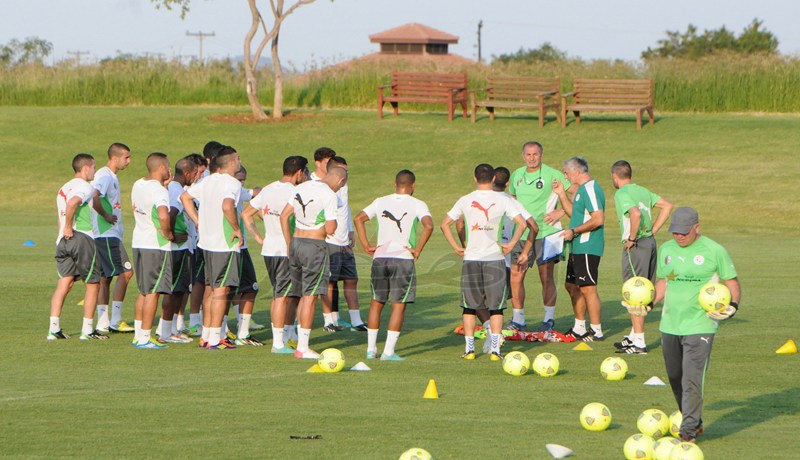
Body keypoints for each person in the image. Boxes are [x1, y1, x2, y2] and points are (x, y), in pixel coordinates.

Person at [648, 207, 740, 443]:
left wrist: (734, 306)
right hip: (669, 324)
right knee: (675, 376)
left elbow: (732, 282)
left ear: (697, 228)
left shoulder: (714, 250)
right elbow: (664, 281)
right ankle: (694, 420)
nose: (678, 236)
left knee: (691, 377)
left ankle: (688, 431)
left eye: (683, 232)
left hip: (701, 325)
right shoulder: (667, 249)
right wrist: (648, 303)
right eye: (675, 232)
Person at [440, 164, 526, 360]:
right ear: (494, 178)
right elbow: (522, 223)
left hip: (471, 258)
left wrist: (455, 246)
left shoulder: (466, 199)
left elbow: (445, 223)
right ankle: (495, 351)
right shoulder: (503, 199)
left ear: (475, 178)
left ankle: (470, 350)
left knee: (469, 306)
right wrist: (512, 243)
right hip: (494, 259)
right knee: (496, 307)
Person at [354, 169, 434, 361]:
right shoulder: (418, 204)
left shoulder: (381, 201)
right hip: (403, 258)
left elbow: (359, 218)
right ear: (413, 185)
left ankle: (371, 350)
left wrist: (365, 245)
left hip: (380, 257)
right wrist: (418, 249)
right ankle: (388, 352)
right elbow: (429, 226)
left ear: (395, 184)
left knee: (376, 302)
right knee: (398, 305)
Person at [242, 155, 308, 353]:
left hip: (270, 249)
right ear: (299, 172)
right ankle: (278, 343)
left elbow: (246, 214)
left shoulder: (268, 189)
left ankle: (286, 336)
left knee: (286, 294)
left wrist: (259, 238)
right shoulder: (296, 192)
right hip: (287, 250)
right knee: (281, 296)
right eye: (305, 172)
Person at [280, 166, 347, 359]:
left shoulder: (302, 187)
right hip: (314, 246)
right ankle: (303, 348)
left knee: (300, 294)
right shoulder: (329, 195)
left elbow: (284, 216)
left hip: (296, 243)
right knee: (311, 296)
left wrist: (288, 243)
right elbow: (331, 227)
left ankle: (295, 340)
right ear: (340, 182)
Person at [181, 146, 243, 350]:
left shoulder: (207, 181)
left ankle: (206, 335)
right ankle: (216, 339)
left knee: (210, 288)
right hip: (223, 244)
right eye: (238, 158)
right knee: (221, 291)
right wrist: (236, 229)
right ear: (232, 162)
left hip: (205, 243)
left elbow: (185, 198)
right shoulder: (232, 183)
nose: (240, 161)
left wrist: (198, 220)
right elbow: (227, 206)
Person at [507, 141, 571, 332]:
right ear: (523, 156)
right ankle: (518, 320)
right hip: (522, 234)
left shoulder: (552, 174)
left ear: (541, 155)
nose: (532, 158)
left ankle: (548, 320)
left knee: (546, 276)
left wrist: (561, 212)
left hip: (546, 232)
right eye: (528, 154)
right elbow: (512, 200)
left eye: (535, 154)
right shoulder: (517, 175)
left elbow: (575, 192)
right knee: (516, 276)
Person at [611, 160, 673, 354]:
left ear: (615, 176)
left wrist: (631, 238)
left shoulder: (622, 193)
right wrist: (653, 230)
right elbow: (667, 206)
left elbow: (635, 214)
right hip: (650, 243)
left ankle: (639, 342)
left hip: (637, 245)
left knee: (635, 291)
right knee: (644, 289)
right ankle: (633, 336)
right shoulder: (643, 191)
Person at [48, 153, 107, 341]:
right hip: (81, 237)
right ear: (86, 167)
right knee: (93, 283)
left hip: (62, 241)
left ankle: (53, 329)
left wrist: (62, 233)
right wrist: (68, 227)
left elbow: (61, 212)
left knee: (64, 283)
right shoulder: (85, 187)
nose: (95, 171)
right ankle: (88, 330)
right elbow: (74, 203)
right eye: (94, 167)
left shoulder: (63, 187)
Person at [554, 156, 606, 342]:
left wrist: (574, 231)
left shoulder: (591, 189)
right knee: (572, 286)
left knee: (588, 288)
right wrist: (561, 194)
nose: (565, 176)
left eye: (566, 172)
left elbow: (598, 219)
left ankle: (596, 330)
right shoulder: (580, 191)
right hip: (577, 246)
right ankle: (579, 327)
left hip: (588, 245)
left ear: (576, 171)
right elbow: (573, 213)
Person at [130, 152, 178, 349]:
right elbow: (163, 216)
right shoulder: (159, 191)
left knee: (144, 290)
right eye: (167, 166)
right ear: (161, 168)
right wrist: (168, 233)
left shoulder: (138, 184)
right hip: (155, 245)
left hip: (139, 241)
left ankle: (139, 334)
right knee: (154, 292)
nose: (169, 170)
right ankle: (146, 338)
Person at [92, 142, 135, 333]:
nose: (129, 161)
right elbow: (94, 196)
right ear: (115, 157)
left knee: (105, 278)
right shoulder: (104, 175)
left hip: (108, 234)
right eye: (126, 157)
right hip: (107, 234)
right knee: (126, 272)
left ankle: (102, 322)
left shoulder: (111, 176)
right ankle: (115, 320)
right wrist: (106, 216)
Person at [321, 155, 367, 332]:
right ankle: (329, 320)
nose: (346, 174)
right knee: (330, 281)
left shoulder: (343, 186)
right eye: (343, 170)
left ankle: (356, 321)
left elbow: (345, 208)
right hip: (329, 240)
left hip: (343, 240)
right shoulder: (322, 187)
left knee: (351, 279)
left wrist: (350, 230)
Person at [156, 156, 199, 344]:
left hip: (183, 246)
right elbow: (171, 213)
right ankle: (165, 331)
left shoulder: (177, 188)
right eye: (195, 173)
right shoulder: (175, 189)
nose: (196, 177)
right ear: (187, 172)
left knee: (180, 290)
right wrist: (171, 235)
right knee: (173, 290)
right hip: (177, 248)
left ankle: (171, 329)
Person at [230, 165, 263, 346]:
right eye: (238, 179)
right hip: (235, 247)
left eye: (243, 180)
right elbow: (257, 194)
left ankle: (227, 330)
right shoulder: (233, 192)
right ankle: (241, 333)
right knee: (250, 287)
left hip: (235, 247)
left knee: (233, 289)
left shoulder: (234, 192)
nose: (241, 183)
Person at [184, 153, 207, 336]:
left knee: (198, 281)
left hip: (197, 241)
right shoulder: (184, 189)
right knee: (195, 282)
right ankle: (193, 321)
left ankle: (197, 320)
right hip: (190, 241)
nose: (201, 175)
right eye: (199, 171)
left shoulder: (200, 184)